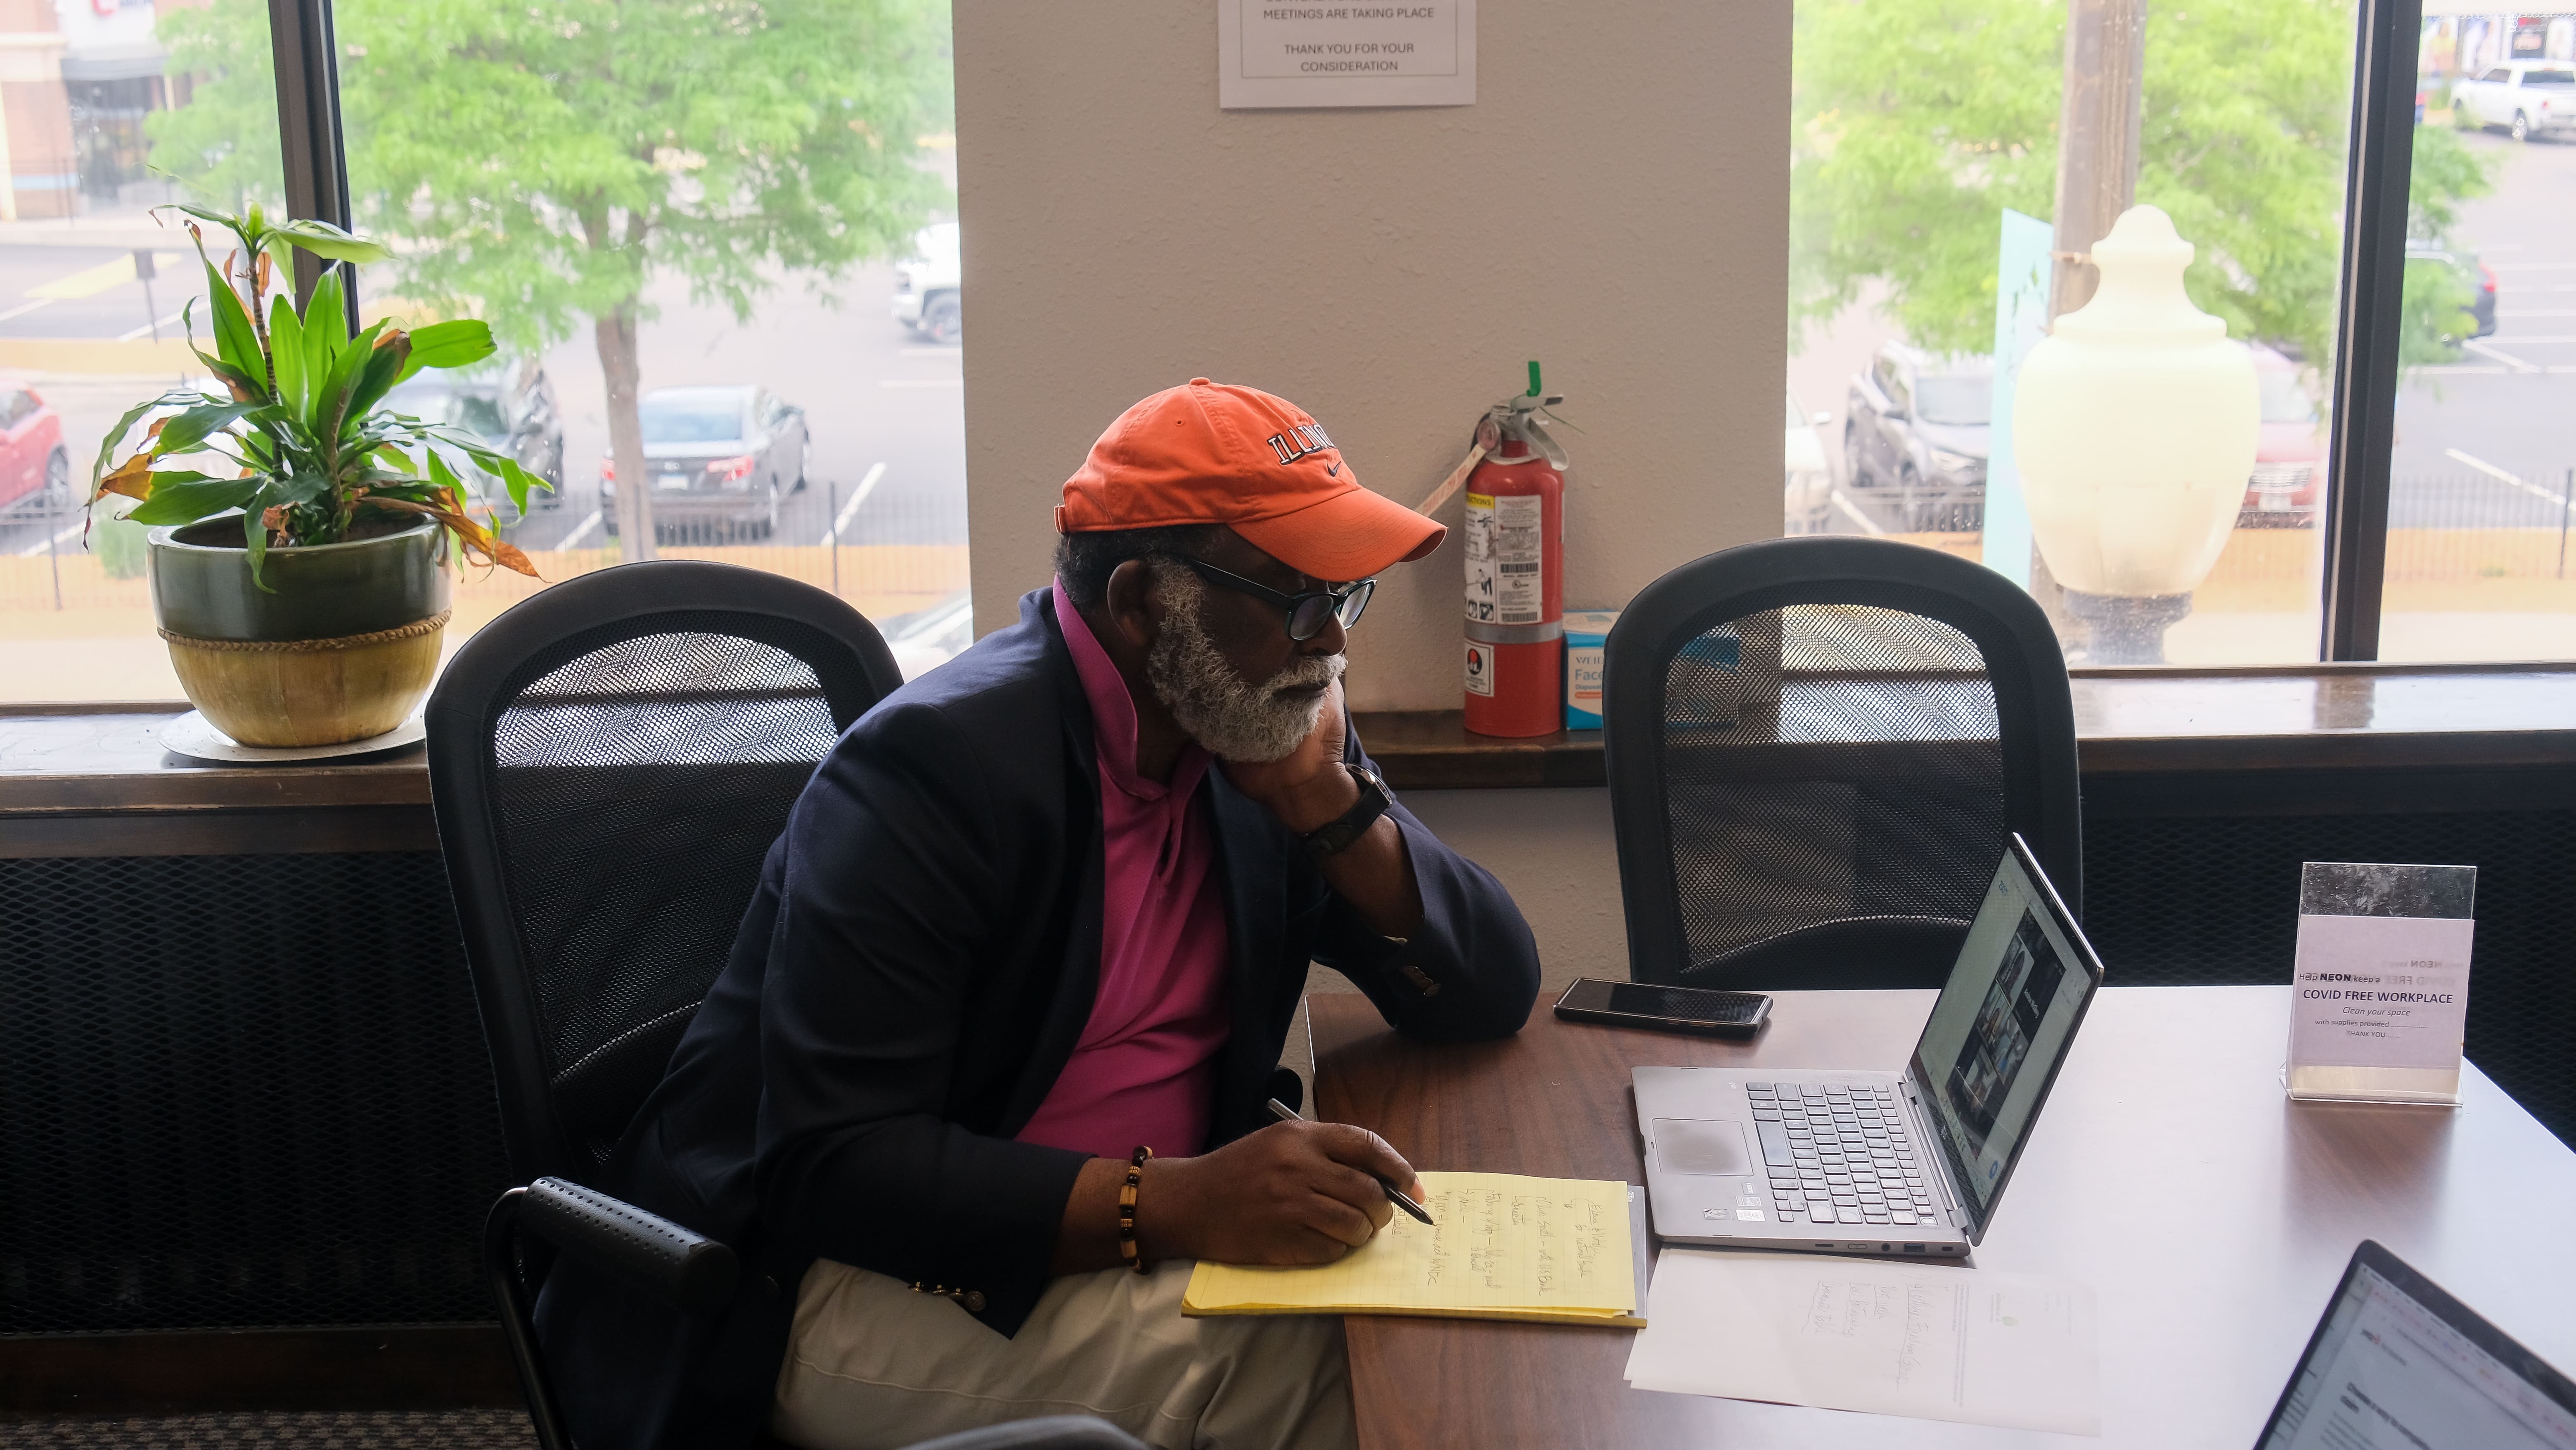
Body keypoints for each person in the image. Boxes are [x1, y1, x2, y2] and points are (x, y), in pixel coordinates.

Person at [535, 378, 1543, 1450]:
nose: (1331, 647)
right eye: (1300, 602)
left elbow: (1490, 991)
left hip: (1146, 1222)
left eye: (1346, 598)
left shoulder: (1249, 720)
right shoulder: (931, 776)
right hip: (841, 1284)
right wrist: (1179, 1204)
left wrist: (1328, 805)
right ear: (1148, 603)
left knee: (1455, 1329)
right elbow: (831, 1170)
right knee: (1357, 1384)